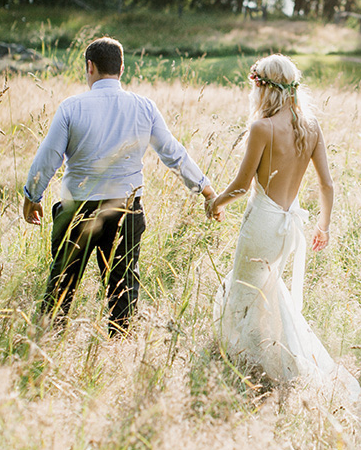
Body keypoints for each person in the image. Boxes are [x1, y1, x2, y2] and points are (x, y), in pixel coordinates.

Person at [23, 36, 220, 334]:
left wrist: (32, 195)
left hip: (77, 209)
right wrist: (206, 190)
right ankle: (119, 343)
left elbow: (48, 157)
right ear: (122, 68)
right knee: (123, 286)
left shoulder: (71, 107)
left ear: (89, 66)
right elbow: (173, 153)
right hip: (126, 209)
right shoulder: (144, 107)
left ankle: (48, 341)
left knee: (62, 283)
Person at [210, 54, 359, 402]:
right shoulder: (311, 126)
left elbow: (242, 186)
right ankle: (271, 360)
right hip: (287, 228)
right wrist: (324, 225)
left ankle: (253, 364)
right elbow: (327, 185)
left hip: (262, 223)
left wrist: (214, 203)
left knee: (245, 293)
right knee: (269, 292)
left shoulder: (263, 128)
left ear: (264, 88)